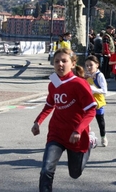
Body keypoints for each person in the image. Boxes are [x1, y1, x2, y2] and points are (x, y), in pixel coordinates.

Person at [31, 48, 98, 192]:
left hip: (76, 135)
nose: (60, 64)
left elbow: (91, 110)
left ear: (73, 64)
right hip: (56, 134)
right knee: (46, 170)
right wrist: (38, 122)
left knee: (75, 173)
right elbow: (49, 104)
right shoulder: (53, 82)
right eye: (56, 61)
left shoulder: (79, 83)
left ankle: (90, 142)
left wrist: (78, 130)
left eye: (64, 61)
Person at [85, 55, 109, 147]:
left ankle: (103, 136)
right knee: (85, 120)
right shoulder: (86, 76)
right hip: (88, 102)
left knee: (100, 122)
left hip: (98, 102)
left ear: (97, 65)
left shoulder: (100, 75)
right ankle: (89, 136)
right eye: (87, 65)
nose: (89, 67)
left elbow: (104, 90)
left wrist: (93, 89)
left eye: (91, 65)